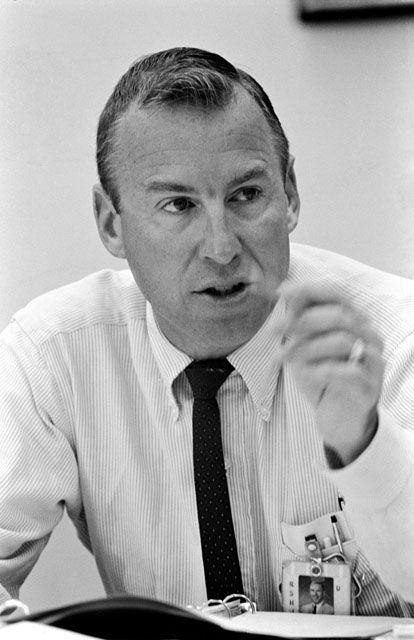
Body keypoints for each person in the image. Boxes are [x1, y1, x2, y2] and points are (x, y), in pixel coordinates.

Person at [0, 47, 413, 616]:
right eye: (178, 205)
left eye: (247, 195)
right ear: (110, 223)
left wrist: (362, 442)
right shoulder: (55, 355)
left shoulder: (394, 340)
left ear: (289, 194)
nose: (222, 248)